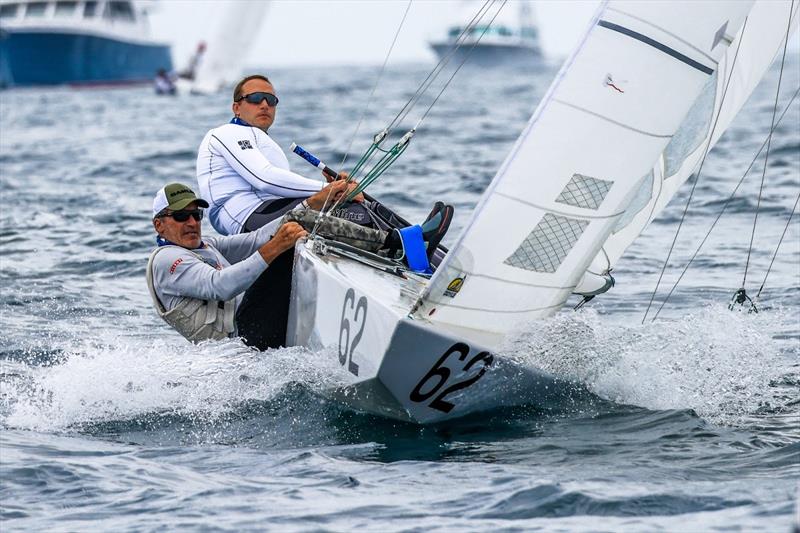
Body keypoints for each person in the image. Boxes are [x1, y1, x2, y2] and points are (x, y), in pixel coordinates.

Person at [147, 183, 446, 350]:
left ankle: (400, 251)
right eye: (181, 216)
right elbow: (220, 285)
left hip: (257, 324)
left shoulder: (206, 245)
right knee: (285, 245)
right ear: (159, 225)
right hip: (244, 340)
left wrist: (312, 204)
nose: (191, 222)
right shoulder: (166, 261)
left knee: (294, 226)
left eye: (196, 215)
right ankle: (402, 246)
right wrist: (276, 247)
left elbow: (257, 238)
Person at [195, 74, 452, 259]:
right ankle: (404, 246)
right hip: (249, 222)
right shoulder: (226, 133)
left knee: (352, 206)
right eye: (255, 98)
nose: (264, 104)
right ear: (236, 107)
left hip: (265, 212)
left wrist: (330, 190)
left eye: (271, 100)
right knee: (338, 205)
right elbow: (265, 180)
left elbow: (278, 188)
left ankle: (415, 244)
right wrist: (328, 190)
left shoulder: (259, 140)